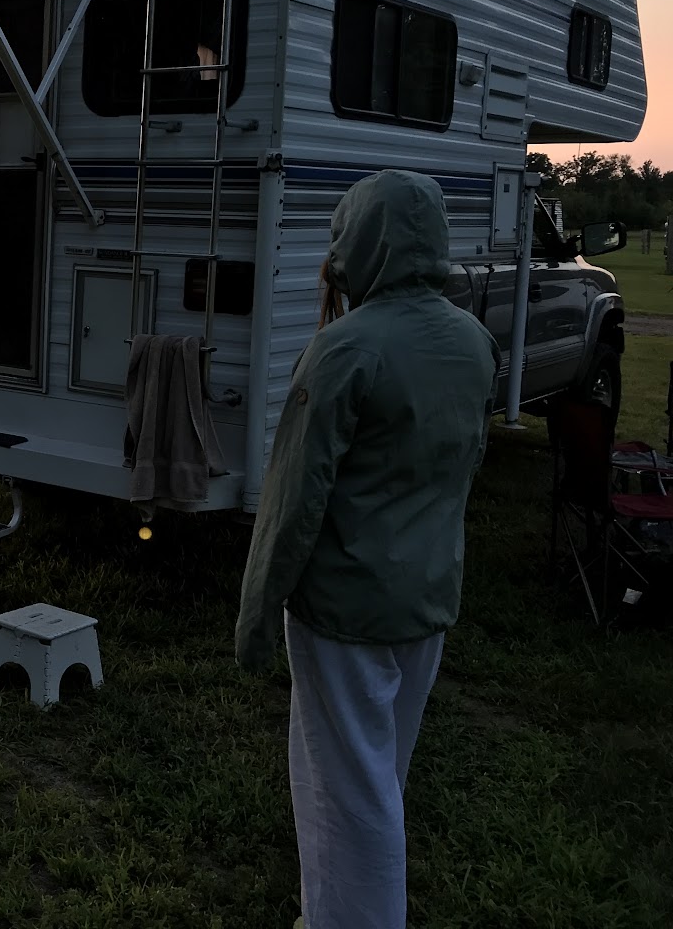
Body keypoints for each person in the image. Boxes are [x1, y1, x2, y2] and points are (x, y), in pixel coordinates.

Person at [235, 169, 499, 929]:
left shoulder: (346, 351)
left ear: (360, 240)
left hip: (345, 610)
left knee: (348, 794)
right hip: (426, 599)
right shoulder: (473, 341)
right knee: (380, 771)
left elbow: (293, 500)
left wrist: (259, 613)